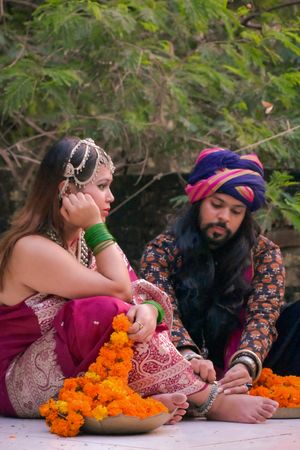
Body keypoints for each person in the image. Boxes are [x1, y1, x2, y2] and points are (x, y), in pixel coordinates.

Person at [0, 138, 278, 425]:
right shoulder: (31, 248)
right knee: (97, 313)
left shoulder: (83, 242)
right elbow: (118, 291)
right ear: (68, 190)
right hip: (15, 382)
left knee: (129, 317)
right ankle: (212, 401)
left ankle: (135, 398)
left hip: (68, 372)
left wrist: (149, 311)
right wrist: (96, 226)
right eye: (103, 186)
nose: (111, 197)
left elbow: (136, 293)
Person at [141, 147, 300, 397]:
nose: (224, 217)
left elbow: (264, 315)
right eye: (216, 205)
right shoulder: (161, 249)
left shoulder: (264, 253)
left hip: (250, 363)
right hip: (178, 359)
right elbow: (161, 309)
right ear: (199, 201)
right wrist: (188, 356)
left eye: (236, 211)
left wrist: (246, 363)